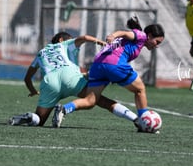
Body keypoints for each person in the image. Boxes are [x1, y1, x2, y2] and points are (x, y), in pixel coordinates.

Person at [52, 16, 165, 131]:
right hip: (114, 64)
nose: (157, 45)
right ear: (150, 36)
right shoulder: (142, 35)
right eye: (157, 42)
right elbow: (125, 33)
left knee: (90, 101)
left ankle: (64, 109)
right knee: (140, 89)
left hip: (98, 65)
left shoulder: (137, 39)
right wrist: (113, 35)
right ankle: (144, 122)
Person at [9, 31, 139, 127]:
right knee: (99, 101)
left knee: (40, 120)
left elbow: (27, 78)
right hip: (70, 78)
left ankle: (30, 117)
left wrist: (32, 91)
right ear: (61, 39)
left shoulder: (41, 53)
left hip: (50, 83)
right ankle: (136, 119)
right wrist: (102, 43)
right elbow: (84, 37)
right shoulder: (64, 45)